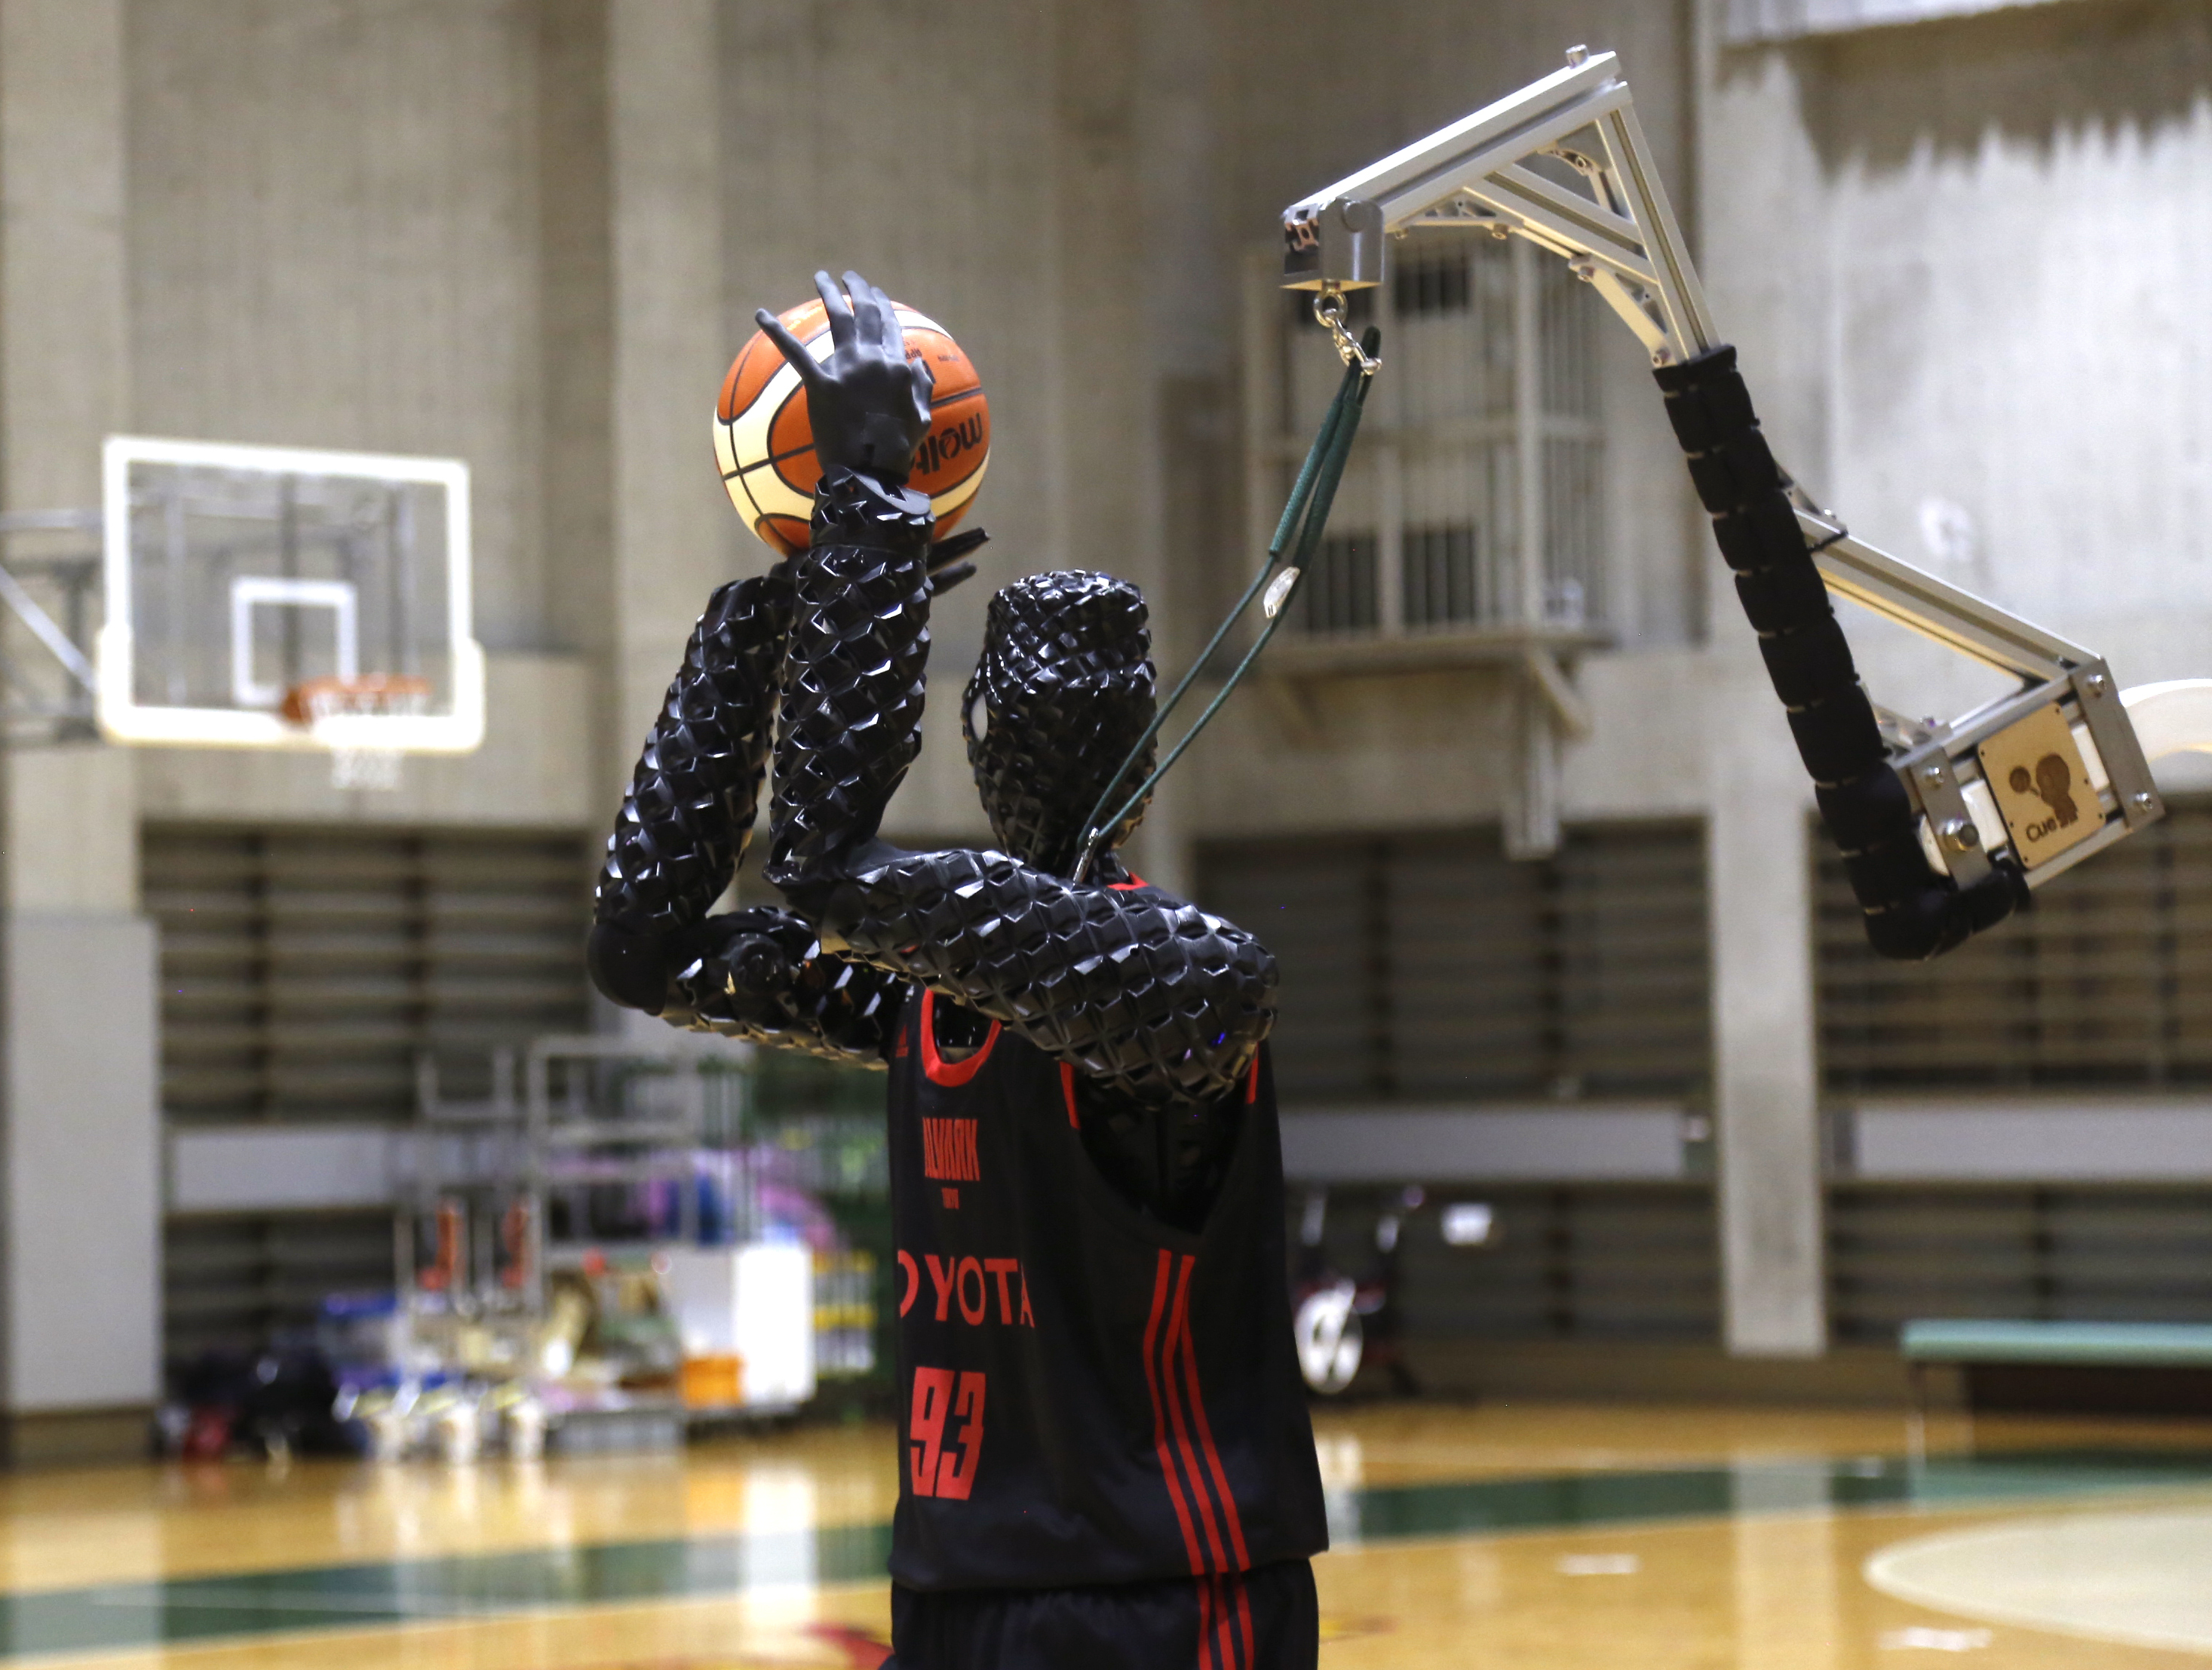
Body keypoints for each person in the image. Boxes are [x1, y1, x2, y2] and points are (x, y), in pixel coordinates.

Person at [589, 270, 1326, 1670]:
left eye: (1069, 707)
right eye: (1016, 701)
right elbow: (647, 948)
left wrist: (869, 513)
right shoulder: (941, 988)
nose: (1031, 733)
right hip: (959, 1581)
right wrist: (773, 617)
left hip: (1165, 1589)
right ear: (978, 723)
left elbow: (831, 878)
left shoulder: (1192, 982)